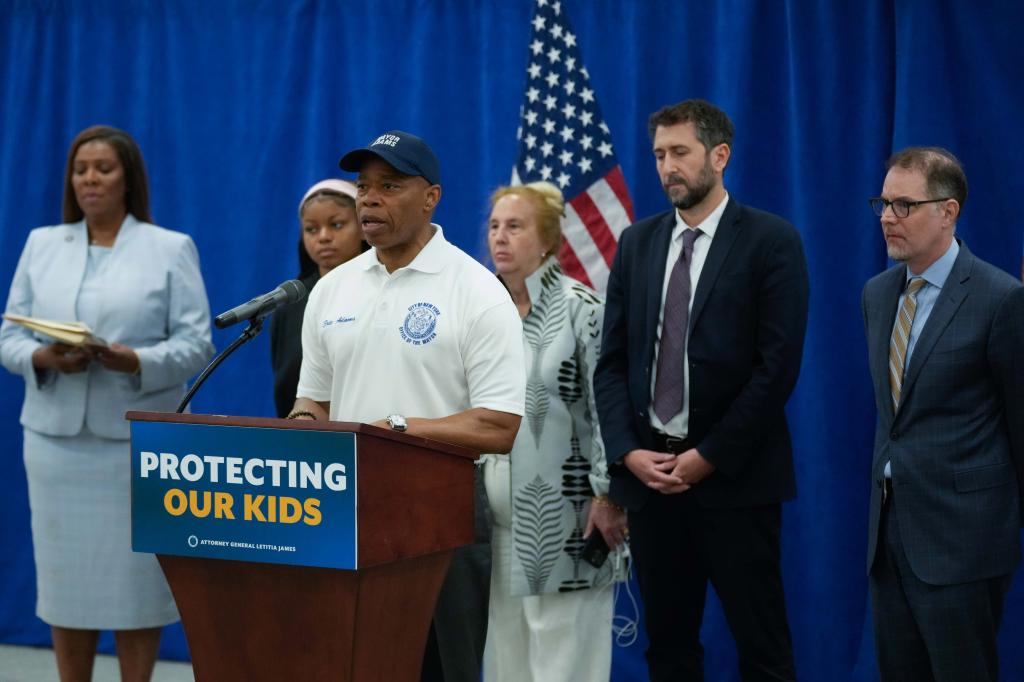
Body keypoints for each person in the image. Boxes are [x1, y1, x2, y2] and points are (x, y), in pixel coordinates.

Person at [288, 130, 526, 682]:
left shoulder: (476, 291)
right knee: (352, 663)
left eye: (388, 186)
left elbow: (499, 425)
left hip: (440, 509)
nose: (368, 199)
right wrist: (299, 430)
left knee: (443, 669)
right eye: (363, 186)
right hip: (343, 508)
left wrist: (395, 429)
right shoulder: (331, 289)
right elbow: (313, 402)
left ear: (430, 197)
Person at [593, 99, 809, 681]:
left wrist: (708, 457)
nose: (667, 167)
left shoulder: (771, 240)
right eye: (660, 154)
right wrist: (627, 453)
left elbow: (777, 369)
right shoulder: (637, 244)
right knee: (668, 650)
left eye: (680, 153)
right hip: (653, 481)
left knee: (762, 649)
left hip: (736, 481)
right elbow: (610, 363)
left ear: (719, 156)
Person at [0, 125, 214, 681]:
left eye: (103, 168)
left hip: (135, 443)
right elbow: (9, 336)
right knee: (65, 583)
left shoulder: (169, 248)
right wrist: (44, 358)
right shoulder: (43, 244)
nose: (90, 179)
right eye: (81, 169)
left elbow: (197, 344)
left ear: (128, 178)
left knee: (133, 585)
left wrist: (133, 360)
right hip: (54, 446)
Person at [862, 147, 1024, 681]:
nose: (888, 217)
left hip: (964, 545)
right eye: (883, 203)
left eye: (904, 205)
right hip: (889, 540)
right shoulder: (878, 294)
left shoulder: (1002, 299)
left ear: (948, 211)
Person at [481, 181, 628, 681]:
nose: (500, 237)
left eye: (515, 226)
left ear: (547, 239)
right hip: (493, 525)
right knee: (505, 665)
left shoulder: (580, 308)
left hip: (567, 522)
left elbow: (610, 408)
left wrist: (609, 497)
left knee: (565, 666)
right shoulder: (484, 314)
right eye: (495, 226)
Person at [269, 178, 365, 417]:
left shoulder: (380, 292)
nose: (323, 237)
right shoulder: (290, 300)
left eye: (337, 225)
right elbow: (285, 379)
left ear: (363, 227)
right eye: (311, 229)